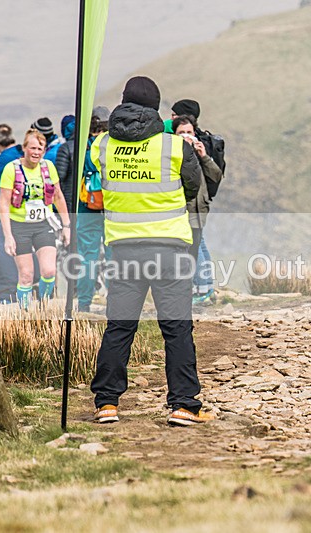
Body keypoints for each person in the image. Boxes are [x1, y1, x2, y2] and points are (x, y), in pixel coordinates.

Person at [89, 76, 210, 427]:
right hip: (169, 249)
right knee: (176, 329)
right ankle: (184, 405)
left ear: (124, 102)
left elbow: (97, 175)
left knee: (119, 327)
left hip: (123, 249)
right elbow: (193, 187)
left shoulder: (101, 145)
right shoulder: (175, 146)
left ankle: (107, 403)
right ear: (156, 107)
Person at [0, 129, 71, 309]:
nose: (36, 152)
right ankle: (25, 312)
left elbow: (58, 197)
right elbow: (4, 205)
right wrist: (8, 236)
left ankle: (43, 307)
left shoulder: (48, 167)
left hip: (43, 225)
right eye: (32, 148)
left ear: (44, 150)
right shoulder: (11, 169)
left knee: (49, 271)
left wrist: (66, 226)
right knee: (26, 275)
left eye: (40, 149)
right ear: (24, 148)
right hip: (19, 226)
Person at [172, 114, 223, 305]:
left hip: (198, 208)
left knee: (194, 246)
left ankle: (202, 289)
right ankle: (205, 287)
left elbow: (216, 176)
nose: (186, 136)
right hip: (181, 208)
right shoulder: (172, 153)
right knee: (196, 244)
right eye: (181, 132)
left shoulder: (200, 153)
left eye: (189, 132)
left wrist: (204, 157)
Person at [76, 106, 111, 312]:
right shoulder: (115, 147)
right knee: (113, 254)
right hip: (112, 207)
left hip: (87, 206)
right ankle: (116, 303)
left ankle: (83, 303)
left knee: (87, 256)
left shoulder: (83, 149)